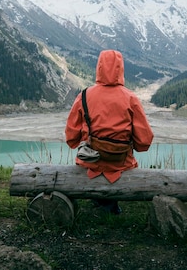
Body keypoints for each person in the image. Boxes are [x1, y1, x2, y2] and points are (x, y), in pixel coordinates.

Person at [65, 49, 154, 213]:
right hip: (121, 163)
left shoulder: (84, 95)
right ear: (121, 69)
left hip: (90, 162)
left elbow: (71, 138)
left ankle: (99, 201)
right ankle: (110, 206)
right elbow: (144, 142)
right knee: (117, 168)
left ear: (98, 68)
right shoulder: (130, 98)